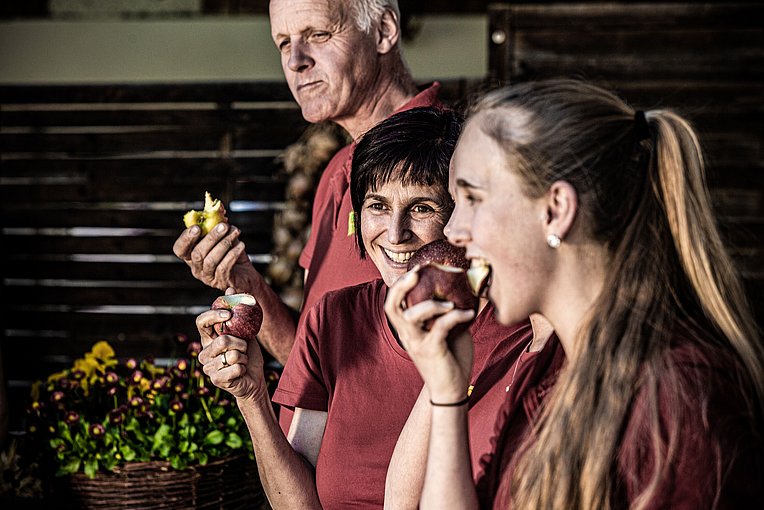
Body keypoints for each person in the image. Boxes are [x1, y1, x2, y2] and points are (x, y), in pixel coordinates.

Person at [385, 79, 764, 508]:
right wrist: (446, 389)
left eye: (472, 198)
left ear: (556, 210)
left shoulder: (682, 401)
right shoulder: (544, 370)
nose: (452, 231)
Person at [196, 107, 558, 509]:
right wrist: (252, 397)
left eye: (422, 208)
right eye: (378, 206)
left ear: (462, 216)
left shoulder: (520, 331)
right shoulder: (335, 318)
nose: (396, 234)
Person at [173, 0, 438, 366]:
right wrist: (244, 279)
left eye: (318, 34)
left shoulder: (448, 158)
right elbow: (313, 365)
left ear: (383, 30)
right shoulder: (336, 170)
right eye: (283, 42)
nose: (296, 60)